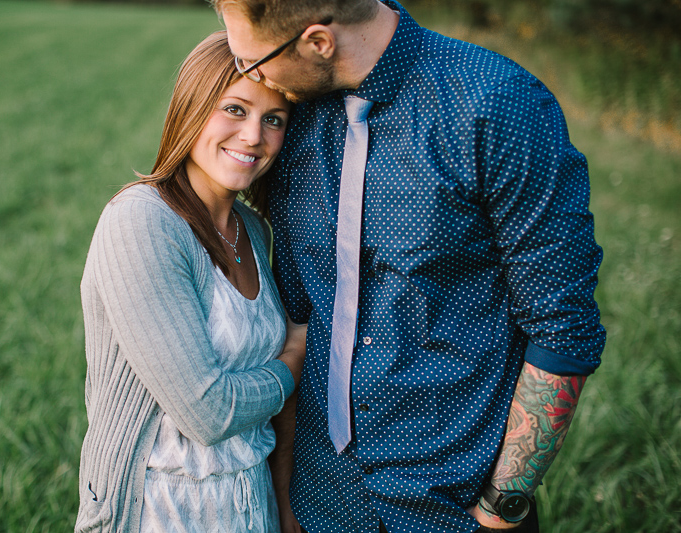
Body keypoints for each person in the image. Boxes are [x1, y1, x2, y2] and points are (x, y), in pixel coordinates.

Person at [211, 0, 607, 532]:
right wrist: (286, 496)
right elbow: (298, 323)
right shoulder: (291, 116)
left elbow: (563, 328)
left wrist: (502, 504)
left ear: (318, 43)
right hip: (322, 499)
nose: (251, 75)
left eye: (253, 59)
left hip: (451, 506)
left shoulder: (497, 104)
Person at [76, 30, 304, 533]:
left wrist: (282, 504)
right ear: (192, 108)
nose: (253, 136)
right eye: (235, 110)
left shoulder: (255, 229)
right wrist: (293, 364)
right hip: (158, 508)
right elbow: (209, 413)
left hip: (251, 505)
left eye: (274, 120)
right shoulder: (141, 223)